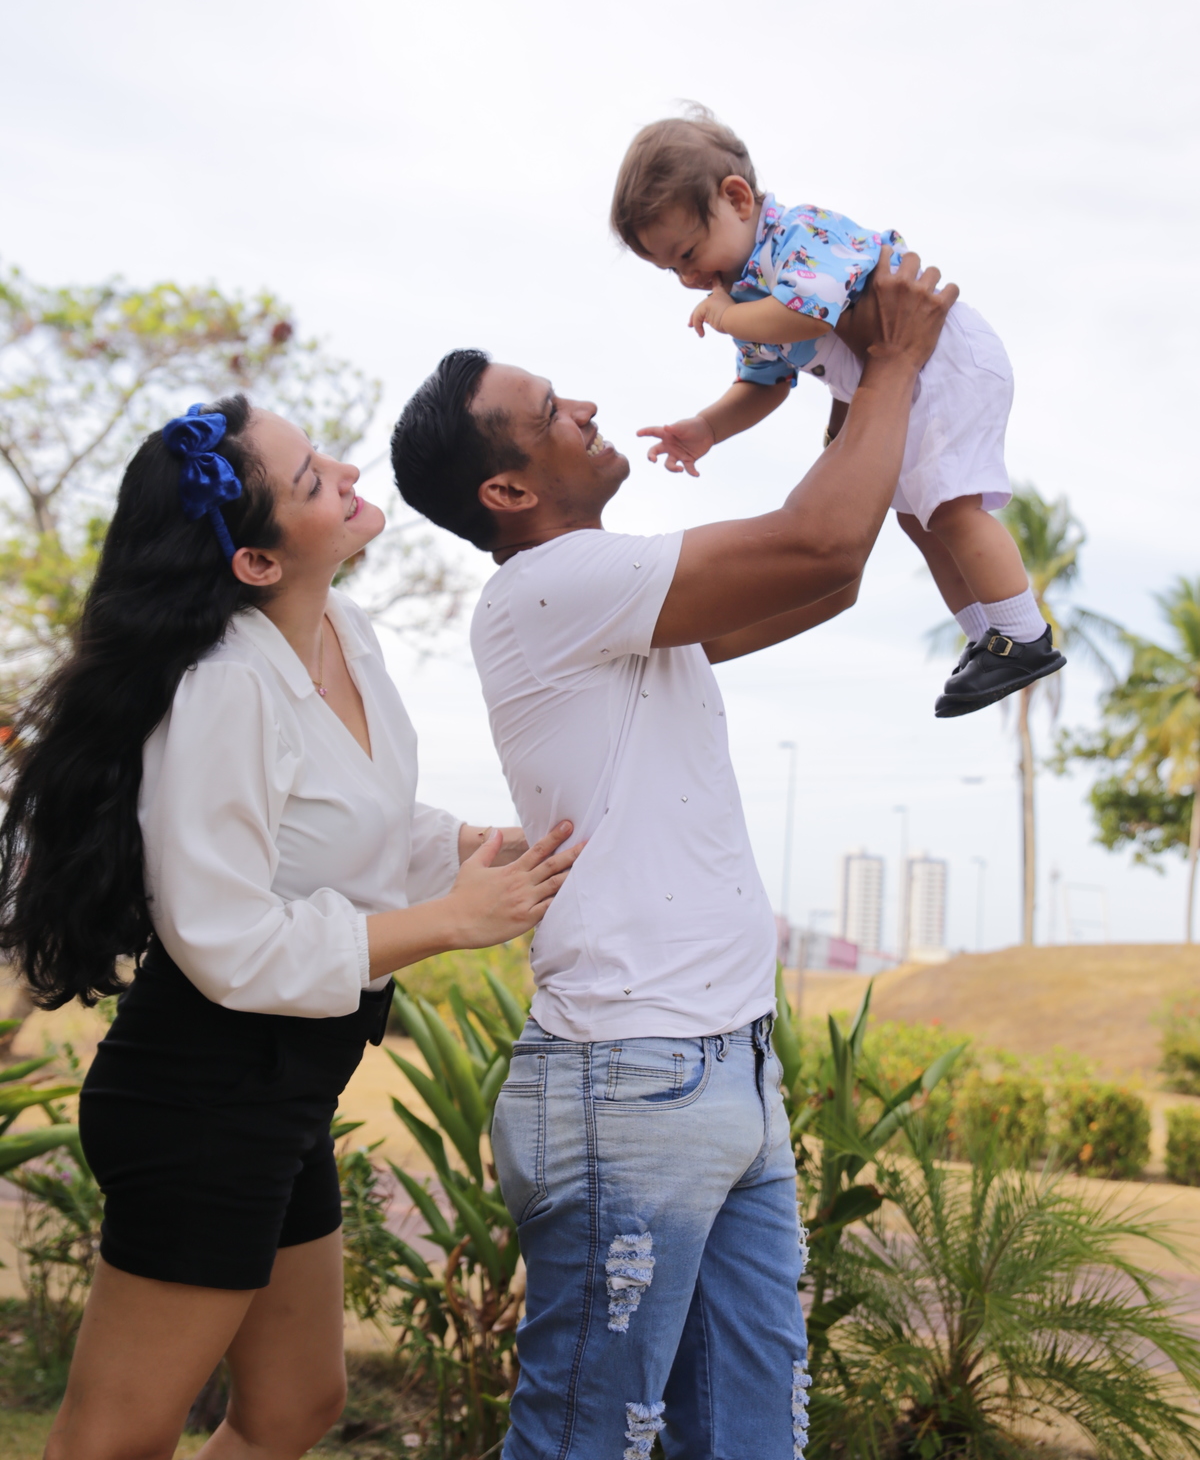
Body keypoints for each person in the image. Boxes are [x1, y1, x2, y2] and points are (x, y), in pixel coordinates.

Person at [390, 250, 953, 1460]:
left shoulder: (622, 606)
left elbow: (830, 573)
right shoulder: (553, 588)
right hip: (628, 1079)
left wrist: (849, 372)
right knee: (585, 1440)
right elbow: (817, 545)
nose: (586, 407)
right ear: (506, 489)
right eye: (552, 411)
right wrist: (895, 362)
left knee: (752, 1439)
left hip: (723, 1066)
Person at [0, 394, 579, 1460]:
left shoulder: (345, 635)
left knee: (293, 1408)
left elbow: (353, 823)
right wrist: (446, 923)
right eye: (312, 480)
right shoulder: (224, 689)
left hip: (286, 1085)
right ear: (258, 561)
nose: (348, 473)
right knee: (116, 1439)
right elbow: (226, 940)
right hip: (202, 1089)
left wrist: (466, 847)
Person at [611, 107, 1066, 716]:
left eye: (688, 252)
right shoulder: (746, 294)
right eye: (671, 269)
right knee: (919, 520)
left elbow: (807, 314)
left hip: (942, 362)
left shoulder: (799, 234)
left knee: (950, 507)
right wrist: (708, 427)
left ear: (737, 199)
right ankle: (990, 636)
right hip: (902, 378)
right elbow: (764, 383)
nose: (689, 278)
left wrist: (728, 316)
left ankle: (1025, 637)